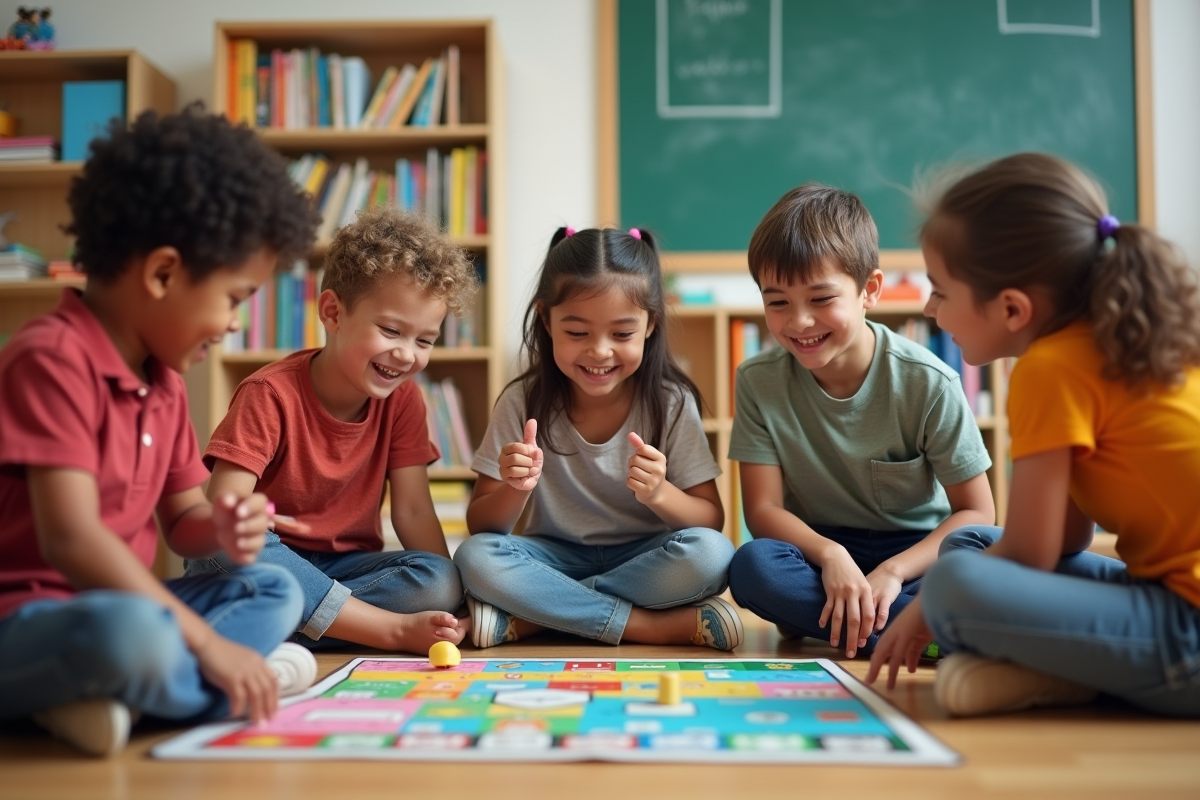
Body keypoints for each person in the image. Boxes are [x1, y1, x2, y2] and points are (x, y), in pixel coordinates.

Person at [0, 105, 320, 757]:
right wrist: (208, 644)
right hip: (28, 616)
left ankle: (102, 701)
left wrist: (223, 528)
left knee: (274, 586)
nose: (234, 323)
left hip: (130, 606)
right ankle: (213, 685)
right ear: (163, 273)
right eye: (234, 298)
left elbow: (183, 521)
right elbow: (73, 540)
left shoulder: (164, 381)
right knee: (129, 637)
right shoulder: (49, 360)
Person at [867, 153, 1200, 717]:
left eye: (941, 290)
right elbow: (1061, 543)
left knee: (955, 582)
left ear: (1013, 308)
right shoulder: (1112, 340)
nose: (929, 306)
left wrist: (927, 609)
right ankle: (1064, 669)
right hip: (1162, 597)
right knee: (968, 547)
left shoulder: (1049, 369)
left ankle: (1064, 674)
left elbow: (1034, 551)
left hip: (1185, 633)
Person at [189, 205, 476, 654]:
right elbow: (221, 508)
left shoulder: (404, 401)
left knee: (437, 582)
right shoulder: (269, 393)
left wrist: (455, 601)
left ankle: (283, 624)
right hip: (264, 557)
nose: (406, 355)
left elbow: (415, 512)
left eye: (424, 341)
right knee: (225, 539)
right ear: (332, 313)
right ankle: (380, 629)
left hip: (346, 568)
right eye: (391, 330)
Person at [726, 184, 996, 659]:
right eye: (778, 302)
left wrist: (892, 572)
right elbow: (763, 512)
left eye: (821, 298)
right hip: (817, 551)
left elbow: (977, 514)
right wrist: (831, 556)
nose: (800, 322)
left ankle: (845, 624)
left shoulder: (928, 381)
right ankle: (917, 635)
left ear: (869, 290)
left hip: (915, 554)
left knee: (978, 561)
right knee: (752, 566)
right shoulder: (757, 380)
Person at [454, 226, 741, 650]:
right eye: (577, 333)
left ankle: (539, 617)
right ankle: (650, 626)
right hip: (551, 559)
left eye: (622, 334)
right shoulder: (521, 400)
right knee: (475, 558)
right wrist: (516, 490)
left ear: (650, 325)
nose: (600, 351)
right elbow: (483, 525)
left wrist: (660, 493)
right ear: (546, 321)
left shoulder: (671, 401)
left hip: (643, 558)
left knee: (712, 555)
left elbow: (709, 521)